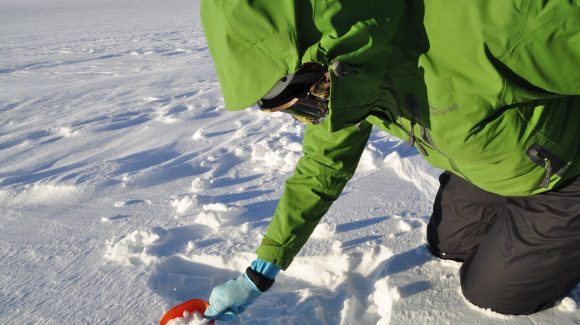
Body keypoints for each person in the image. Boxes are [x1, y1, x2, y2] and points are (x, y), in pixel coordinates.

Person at [199, 0, 580, 320]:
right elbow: (321, 168)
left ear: (330, 35)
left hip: (564, 176)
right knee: (449, 246)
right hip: (492, 165)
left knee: (491, 294)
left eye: (291, 89)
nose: (304, 112)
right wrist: (259, 273)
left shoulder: (491, 21)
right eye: (276, 104)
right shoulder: (348, 79)